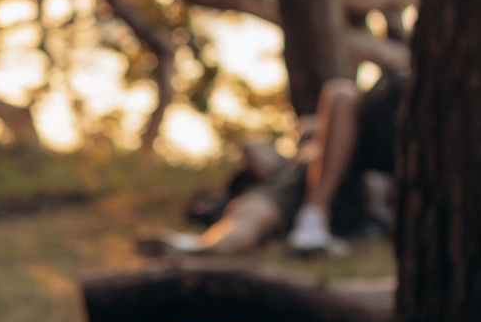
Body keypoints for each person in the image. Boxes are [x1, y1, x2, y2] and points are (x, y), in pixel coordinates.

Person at [147, 65, 404, 258]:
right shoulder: (289, 166)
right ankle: (205, 248)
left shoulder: (348, 145)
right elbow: (251, 148)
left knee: (340, 93)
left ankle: (208, 247)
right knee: (253, 212)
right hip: (292, 186)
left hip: (347, 191)